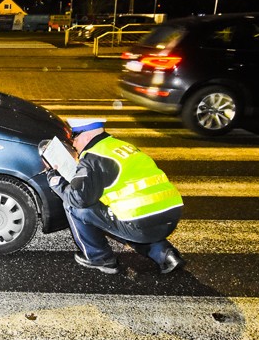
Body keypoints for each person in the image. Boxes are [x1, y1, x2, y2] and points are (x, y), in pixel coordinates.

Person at [42, 117, 186, 275]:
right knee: (116, 214)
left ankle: (100, 258)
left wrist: (54, 178)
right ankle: (165, 254)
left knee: (74, 207)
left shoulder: (93, 157)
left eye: (74, 137)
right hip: (170, 215)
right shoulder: (122, 146)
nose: (73, 143)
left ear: (87, 136)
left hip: (141, 224)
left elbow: (78, 199)